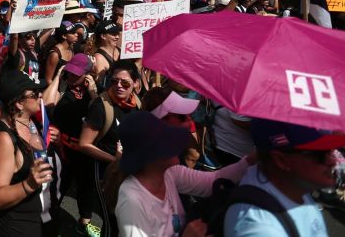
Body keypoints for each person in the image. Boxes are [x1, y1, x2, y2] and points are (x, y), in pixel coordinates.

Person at [115, 111, 253, 237]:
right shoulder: (132, 201)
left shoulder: (169, 173)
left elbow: (213, 180)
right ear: (151, 155)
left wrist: (252, 159)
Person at [225, 118, 345, 237]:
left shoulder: (293, 185)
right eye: (319, 154)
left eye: (331, 150)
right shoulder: (262, 229)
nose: (333, 161)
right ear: (281, 160)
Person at [0, 69, 53, 236]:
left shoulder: (28, 122)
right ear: (19, 103)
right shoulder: (4, 139)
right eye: (34, 94)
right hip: (13, 226)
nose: (40, 96)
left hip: (35, 218)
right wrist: (29, 184)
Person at [77, 63, 142, 235]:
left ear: (136, 83)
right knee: (112, 220)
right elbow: (84, 144)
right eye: (114, 81)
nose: (119, 86)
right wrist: (115, 160)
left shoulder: (137, 104)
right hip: (106, 171)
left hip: (129, 168)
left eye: (125, 83)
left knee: (126, 218)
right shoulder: (101, 107)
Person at [51, 53, 99, 236]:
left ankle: (84, 222)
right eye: (69, 72)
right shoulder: (63, 88)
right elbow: (48, 105)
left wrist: (93, 91)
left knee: (86, 187)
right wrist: (58, 78)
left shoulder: (93, 93)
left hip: (85, 151)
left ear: (87, 74)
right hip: (63, 149)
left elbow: (98, 116)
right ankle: (50, 216)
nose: (71, 76)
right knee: (59, 185)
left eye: (76, 73)